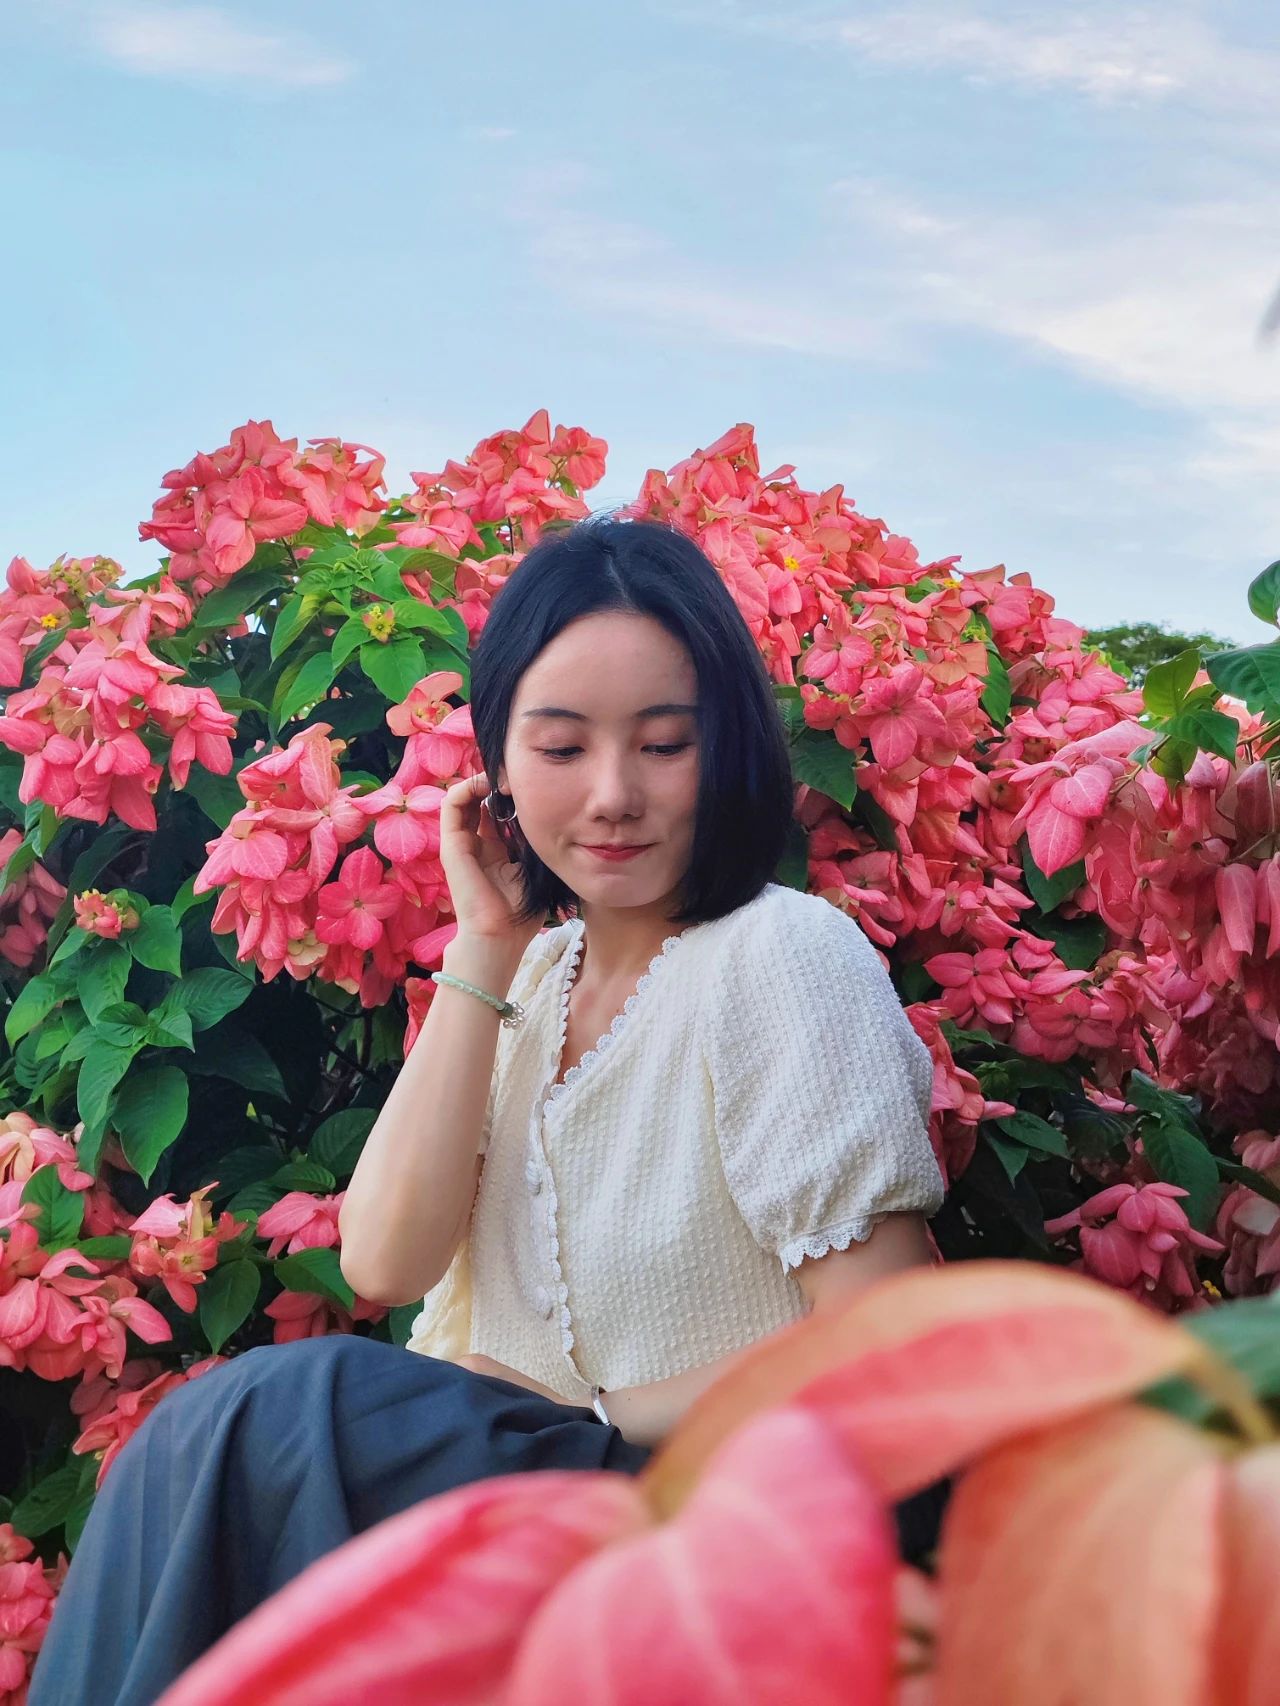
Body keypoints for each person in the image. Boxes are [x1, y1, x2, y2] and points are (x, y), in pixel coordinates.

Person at [29, 516, 949, 1705]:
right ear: (498, 769)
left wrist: (576, 1408)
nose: (612, 796)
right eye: (560, 747)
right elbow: (379, 1257)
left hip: (711, 1510)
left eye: (664, 744)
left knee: (276, 1413)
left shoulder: (780, 952)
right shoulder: (525, 979)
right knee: (191, 1440)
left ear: (726, 752)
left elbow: (891, 1347)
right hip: (535, 1507)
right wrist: (482, 943)